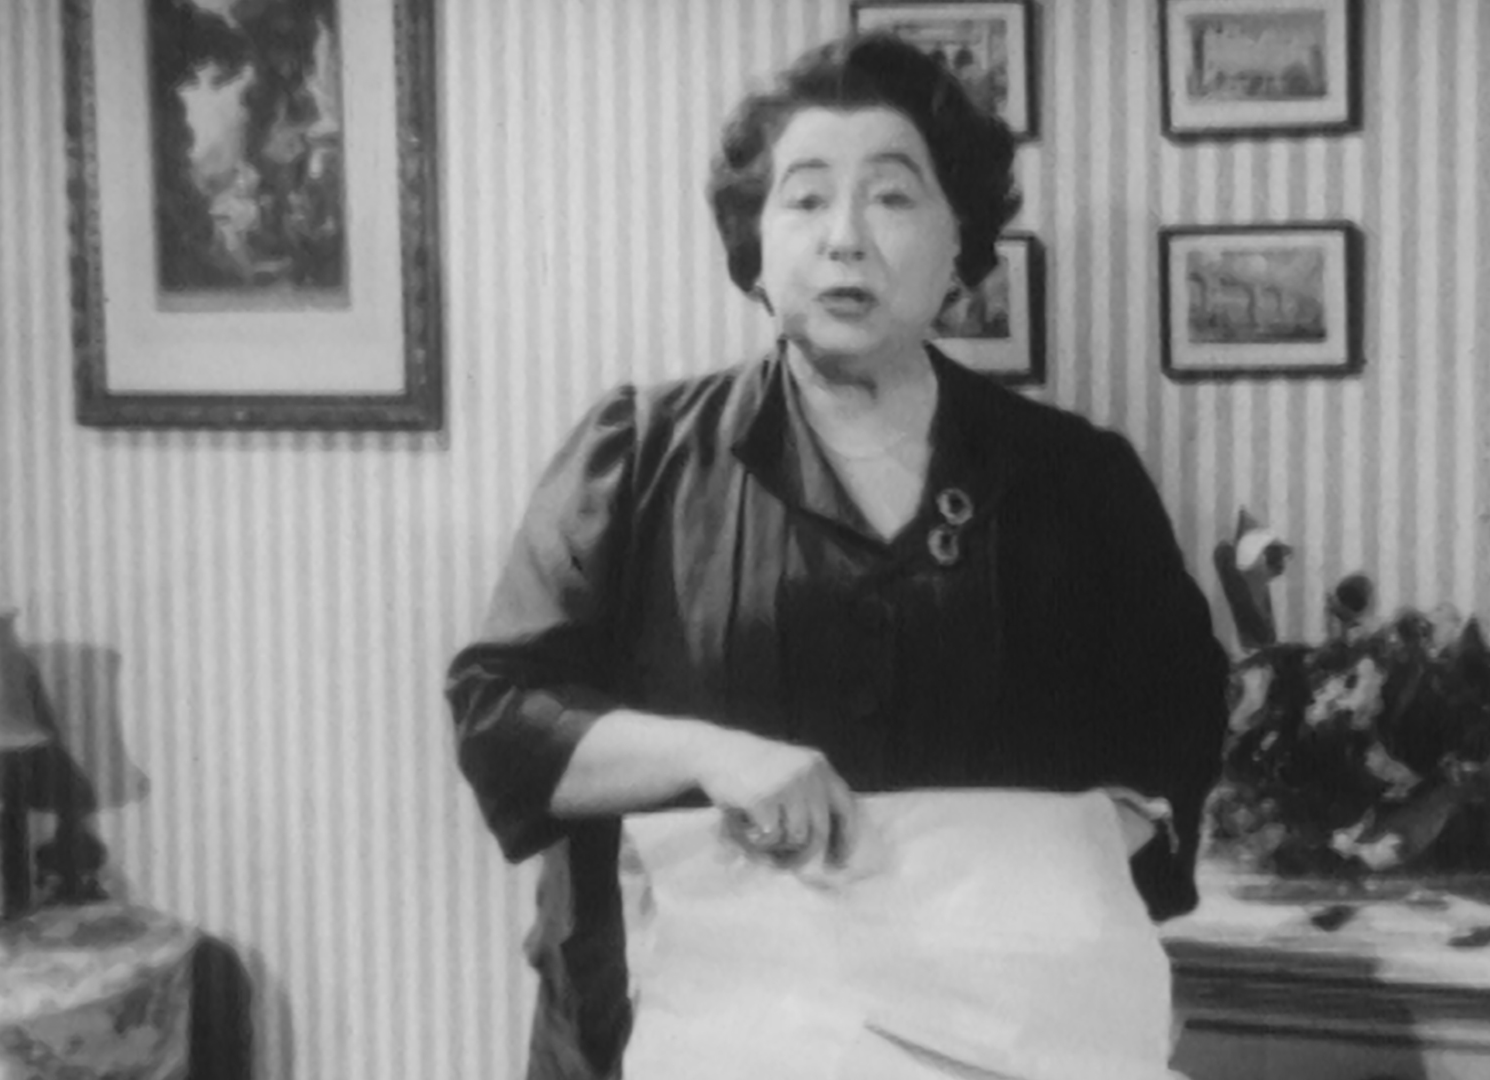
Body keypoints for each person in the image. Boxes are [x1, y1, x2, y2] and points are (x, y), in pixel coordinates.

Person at [446, 32, 1229, 1080]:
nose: (846, 239)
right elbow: (501, 715)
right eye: (806, 199)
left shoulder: (1077, 482)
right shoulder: (639, 457)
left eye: (893, 197)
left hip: (997, 1046)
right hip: (674, 1034)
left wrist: (1046, 877)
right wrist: (711, 757)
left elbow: (1175, 724)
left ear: (961, 240)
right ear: (755, 245)